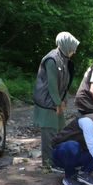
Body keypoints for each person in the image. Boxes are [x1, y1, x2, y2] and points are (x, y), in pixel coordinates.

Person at [33, 31, 79, 171]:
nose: (74, 52)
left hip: (56, 102)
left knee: (60, 132)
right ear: (66, 45)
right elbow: (52, 85)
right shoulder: (51, 59)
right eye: (73, 48)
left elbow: (64, 84)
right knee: (49, 135)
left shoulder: (63, 59)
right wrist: (58, 103)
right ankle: (47, 165)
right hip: (47, 103)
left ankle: (57, 161)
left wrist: (63, 100)